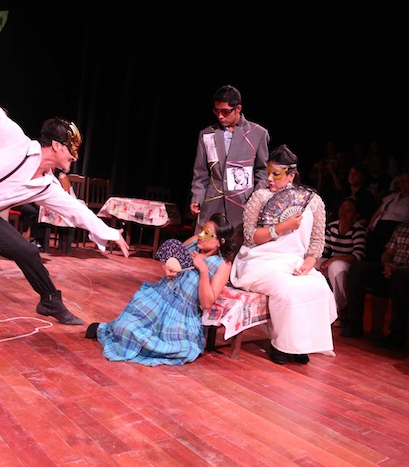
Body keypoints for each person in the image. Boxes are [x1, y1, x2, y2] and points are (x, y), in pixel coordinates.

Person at [0, 9, 130, 347]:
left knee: (26, 250)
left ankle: (50, 301)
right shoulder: (11, 138)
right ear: (56, 145)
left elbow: (76, 210)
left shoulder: (45, 183)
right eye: (72, 150)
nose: (74, 157)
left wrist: (109, 232)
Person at [230, 144, 337, 364]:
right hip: (260, 261)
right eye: (268, 172)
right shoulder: (260, 197)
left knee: (319, 288)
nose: (270, 178)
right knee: (287, 290)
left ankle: (301, 345)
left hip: (294, 262)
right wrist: (281, 227)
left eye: (276, 174)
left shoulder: (313, 202)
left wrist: (308, 265)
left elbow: (317, 242)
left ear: (291, 175)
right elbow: (250, 237)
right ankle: (281, 346)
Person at [86, 213, 235, 366]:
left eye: (207, 233)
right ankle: (108, 329)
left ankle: (144, 345)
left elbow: (206, 303)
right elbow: (170, 259)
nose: (201, 235)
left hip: (182, 314)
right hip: (160, 298)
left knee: (184, 349)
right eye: (202, 230)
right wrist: (166, 268)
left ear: (220, 242)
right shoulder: (193, 243)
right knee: (126, 329)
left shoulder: (223, 264)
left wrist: (203, 270)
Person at [341, 186, 409, 349]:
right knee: (359, 268)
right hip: (393, 270)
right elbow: (388, 252)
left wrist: (403, 268)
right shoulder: (403, 227)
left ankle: (397, 333)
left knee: (402, 276)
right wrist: (387, 264)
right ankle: (354, 322)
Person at [190, 84, 270, 236]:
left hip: (242, 205)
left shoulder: (258, 134)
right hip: (212, 204)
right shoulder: (207, 134)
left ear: (238, 108)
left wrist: (256, 200)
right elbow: (200, 172)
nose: (220, 116)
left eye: (225, 111)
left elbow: (262, 171)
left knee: (235, 247)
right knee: (204, 245)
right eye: (217, 111)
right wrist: (197, 197)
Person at [315, 197, 367, 320]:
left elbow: (358, 255)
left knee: (336, 266)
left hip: (348, 264)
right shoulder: (332, 226)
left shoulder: (358, 229)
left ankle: (341, 307)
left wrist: (333, 259)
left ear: (356, 214)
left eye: (348, 210)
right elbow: (325, 249)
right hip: (332, 261)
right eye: (342, 209)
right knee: (311, 263)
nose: (343, 212)